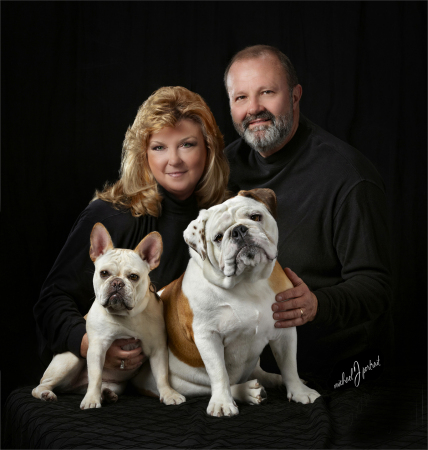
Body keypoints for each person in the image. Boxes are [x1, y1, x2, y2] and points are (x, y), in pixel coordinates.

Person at [223, 45, 393, 380]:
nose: (253, 109)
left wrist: (316, 304)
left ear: (295, 95)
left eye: (267, 92)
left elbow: (376, 286)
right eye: (240, 97)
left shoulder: (348, 176)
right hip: (245, 373)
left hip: (333, 372)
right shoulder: (222, 170)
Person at [34, 86, 229, 372]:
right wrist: (91, 346)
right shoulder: (112, 215)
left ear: (208, 149)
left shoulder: (224, 217)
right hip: (109, 377)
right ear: (143, 154)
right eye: (159, 147)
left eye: (187, 144)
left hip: (187, 378)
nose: (173, 160)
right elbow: (51, 301)